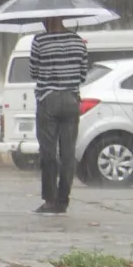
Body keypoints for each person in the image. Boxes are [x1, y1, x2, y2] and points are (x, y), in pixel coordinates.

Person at [29, 16, 89, 214]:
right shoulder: (78, 41)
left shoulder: (40, 41)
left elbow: (33, 72)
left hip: (49, 99)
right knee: (68, 153)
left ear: (46, 19)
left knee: (48, 152)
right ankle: (63, 200)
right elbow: (82, 75)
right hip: (72, 100)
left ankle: (49, 199)